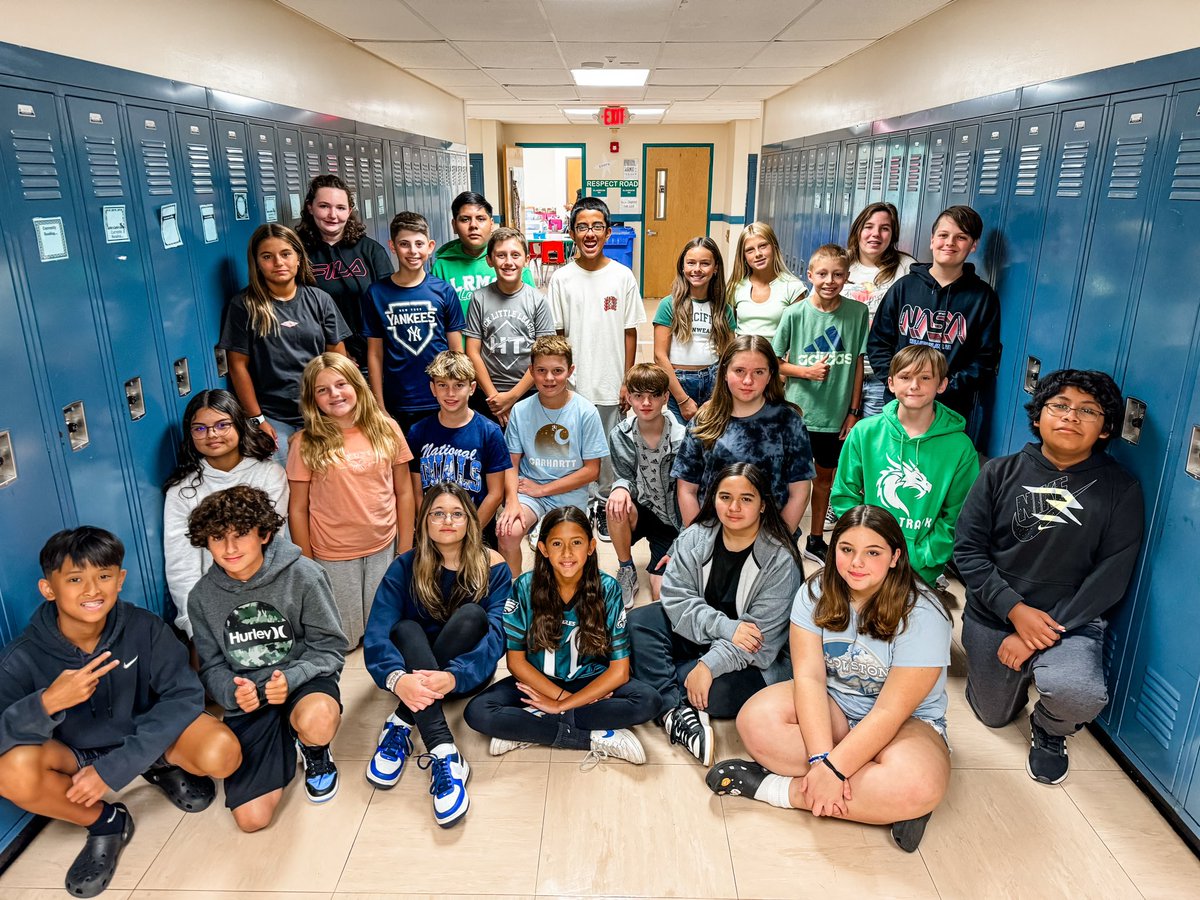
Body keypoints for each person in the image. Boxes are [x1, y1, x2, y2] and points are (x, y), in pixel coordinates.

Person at [0, 527, 240, 898]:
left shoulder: (142, 627)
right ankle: (106, 822)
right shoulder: (24, 655)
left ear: (120, 580)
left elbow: (185, 695)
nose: (92, 589)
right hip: (74, 754)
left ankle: (158, 767)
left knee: (222, 753)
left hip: (141, 734)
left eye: (104, 576)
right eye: (75, 579)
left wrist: (116, 768)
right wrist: (46, 703)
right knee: (11, 773)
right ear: (49, 589)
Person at [708, 505, 952, 855]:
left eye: (873, 552)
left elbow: (888, 712)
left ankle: (777, 790)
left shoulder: (925, 613)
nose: (857, 563)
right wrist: (821, 758)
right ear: (833, 548)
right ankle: (883, 804)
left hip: (906, 724)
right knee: (754, 720)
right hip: (836, 706)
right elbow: (808, 678)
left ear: (896, 556)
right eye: (847, 549)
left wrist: (835, 772)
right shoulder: (815, 592)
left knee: (919, 784)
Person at [954, 369, 1143, 785]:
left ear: (1107, 428)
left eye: (1087, 410)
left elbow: (1111, 576)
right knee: (993, 716)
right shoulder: (999, 473)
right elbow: (967, 551)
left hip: (1070, 622)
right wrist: (1015, 611)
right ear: (1038, 417)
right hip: (995, 613)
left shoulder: (1120, 488)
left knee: (1079, 692)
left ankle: (1050, 728)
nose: (1071, 417)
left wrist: (1040, 631)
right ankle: (1007, 680)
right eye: (1059, 406)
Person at [186, 486, 346, 832]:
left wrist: (293, 678)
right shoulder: (201, 597)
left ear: (264, 534)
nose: (229, 548)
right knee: (251, 820)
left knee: (317, 719)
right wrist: (230, 692)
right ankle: (281, 743)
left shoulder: (304, 575)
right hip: (249, 697)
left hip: (302, 680)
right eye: (217, 538)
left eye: (240, 535)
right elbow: (211, 666)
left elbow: (330, 648)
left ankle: (314, 749)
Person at [628, 463, 804, 767]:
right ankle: (673, 713)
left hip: (753, 657)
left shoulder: (780, 560)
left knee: (713, 694)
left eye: (746, 499)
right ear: (713, 499)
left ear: (763, 504)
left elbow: (760, 641)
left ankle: (658, 684)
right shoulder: (695, 537)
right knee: (639, 622)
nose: (734, 507)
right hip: (707, 632)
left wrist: (708, 666)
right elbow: (675, 598)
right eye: (725, 497)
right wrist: (726, 626)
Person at [363, 484, 511, 827]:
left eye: (457, 514)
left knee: (473, 616)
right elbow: (378, 631)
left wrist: (455, 675)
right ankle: (444, 750)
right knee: (406, 630)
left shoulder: (495, 568)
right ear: (424, 521)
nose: (448, 521)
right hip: (409, 678)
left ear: (470, 521)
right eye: (438, 513)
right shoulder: (405, 566)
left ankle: (401, 721)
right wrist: (397, 679)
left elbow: (497, 636)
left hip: (462, 677)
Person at [464, 506, 657, 764]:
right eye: (557, 543)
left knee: (648, 701)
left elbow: (619, 671)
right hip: (539, 680)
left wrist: (560, 706)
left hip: (590, 681)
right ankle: (595, 736)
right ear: (543, 549)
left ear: (590, 547)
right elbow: (516, 662)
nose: (567, 553)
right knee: (477, 712)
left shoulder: (607, 589)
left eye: (576, 543)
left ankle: (528, 727)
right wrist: (563, 700)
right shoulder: (525, 587)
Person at [287, 353, 416, 648]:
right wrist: (307, 563)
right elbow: (297, 508)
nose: (334, 394)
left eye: (341, 384)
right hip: (333, 552)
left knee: (382, 634)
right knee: (344, 640)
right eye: (322, 390)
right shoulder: (305, 442)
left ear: (357, 385)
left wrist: (405, 546)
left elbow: (404, 492)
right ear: (312, 399)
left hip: (383, 544)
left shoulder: (387, 428)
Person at [830, 346, 979, 590]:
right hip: (866, 562)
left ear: (941, 385)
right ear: (890, 383)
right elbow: (844, 494)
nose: (914, 386)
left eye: (925, 378)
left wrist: (924, 556)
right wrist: (864, 547)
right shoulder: (865, 433)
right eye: (905, 377)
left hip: (921, 569)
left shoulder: (960, 447)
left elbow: (958, 515)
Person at [549, 197, 645, 536]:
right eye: (582, 227)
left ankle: (604, 504)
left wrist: (626, 381)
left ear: (608, 232)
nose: (590, 233)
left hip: (609, 379)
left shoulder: (622, 276)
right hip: (574, 383)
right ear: (573, 232)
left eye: (597, 227)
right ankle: (578, 505)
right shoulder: (562, 279)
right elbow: (557, 335)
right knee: (573, 447)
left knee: (606, 450)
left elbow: (629, 331)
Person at [219, 223, 351, 464]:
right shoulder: (244, 306)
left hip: (320, 410)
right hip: (273, 415)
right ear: (257, 263)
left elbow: (337, 361)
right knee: (285, 485)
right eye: (267, 257)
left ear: (299, 258)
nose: (278, 263)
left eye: (285, 254)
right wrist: (257, 419)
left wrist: (338, 411)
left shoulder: (320, 300)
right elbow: (238, 367)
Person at [163, 389, 289, 637]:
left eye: (222, 425)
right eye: (200, 428)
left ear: (239, 425)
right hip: (211, 602)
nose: (212, 435)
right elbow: (182, 565)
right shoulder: (182, 491)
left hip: (267, 595)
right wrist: (194, 627)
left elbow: (271, 545)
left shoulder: (268, 474)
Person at [773, 244, 868, 563]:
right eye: (823, 274)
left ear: (847, 277)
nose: (830, 280)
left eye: (838, 274)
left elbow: (857, 364)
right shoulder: (795, 314)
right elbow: (773, 362)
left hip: (835, 415)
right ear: (810, 274)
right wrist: (805, 371)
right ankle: (782, 536)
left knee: (824, 481)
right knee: (789, 479)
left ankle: (815, 539)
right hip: (797, 414)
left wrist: (853, 412)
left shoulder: (857, 313)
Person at [867, 204, 1000, 422]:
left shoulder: (982, 297)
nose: (950, 243)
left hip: (950, 408)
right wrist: (899, 382)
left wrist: (944, 387)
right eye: (943, 235)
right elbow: (879, 342)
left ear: (973, 245)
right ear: (932, 240)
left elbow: (984, 358)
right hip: (898, 404)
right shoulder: (904, 287)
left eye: (961, 237)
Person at [672, 334, 814, 535]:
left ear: (771, 374)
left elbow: (799, 492)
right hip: (712, 535)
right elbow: (687, 489)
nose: (748, 380)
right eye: (739, 371)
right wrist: (698, 540)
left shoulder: (788, 421)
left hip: (771, 535)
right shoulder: (704, 420)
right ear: (724, 372)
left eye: (758, 372)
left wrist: (778, 541)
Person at [496, 335, 609, 577]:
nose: (549, 378)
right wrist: (512, 502)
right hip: (529, 493)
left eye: (557, 371)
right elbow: (511, 463)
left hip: (568, 494)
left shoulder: (585, 412)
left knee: (563, 550)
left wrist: (542, 489)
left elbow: (592, 471)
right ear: (531, 371)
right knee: (507, 531)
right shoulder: (520, 410)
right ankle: (513, 593)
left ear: (570, 370)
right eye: (542, 371)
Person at [361, 211, 465, 436]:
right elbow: (375, 354)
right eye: (404, 244)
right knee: (404, 467)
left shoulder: (444, 291)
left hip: (440, 397)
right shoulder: (377, 293)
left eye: (419, 244)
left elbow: (457, 353)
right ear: (392, 246)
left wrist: (458, 395)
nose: (413, 251)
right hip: (397, 401)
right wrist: (379, 405)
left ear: (430, 246)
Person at [407, 351, 516, 545]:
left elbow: (495, 493)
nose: (450, 393)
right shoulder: (418, 432)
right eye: (443, 385)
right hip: (433, 533)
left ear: (472, 388)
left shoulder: (489, 432)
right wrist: (429, 529)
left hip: (476, 533)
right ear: (433, 388)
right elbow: (416, 491)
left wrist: (469, 534)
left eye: (459, 385)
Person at [295, 173, 394, 370]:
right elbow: (296, 311)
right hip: (322, 359)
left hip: (374, 355)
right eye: (324, 206)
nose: (333, 215)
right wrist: (336, 352)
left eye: (340, 208)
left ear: (349, 211)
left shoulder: (370, 251)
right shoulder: (297, 252)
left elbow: (389, 305)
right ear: (310, 207)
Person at [606, 363, 685, 608]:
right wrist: (619, 487)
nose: (646, 403)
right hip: (643, 509)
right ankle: (626, 568)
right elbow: (624, 475)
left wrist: (682, 542)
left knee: (661, 595)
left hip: (674, 520)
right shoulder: (621, 434)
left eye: (653, 396)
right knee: (614, 504)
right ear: (629, 397)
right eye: (638, 396)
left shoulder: (683, 437)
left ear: (665, 397)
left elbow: (691, 493)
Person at [463, 227, 556, 427]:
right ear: (489, 260)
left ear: (527, 259)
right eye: (501, 255)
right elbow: (472, 351)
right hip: (487, 395)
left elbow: (544, 356)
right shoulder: (479, 298)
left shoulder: (537, 301)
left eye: (515, 255)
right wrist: (494, 397)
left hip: (529, 392)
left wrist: (512, 397)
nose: (508, 262)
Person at [842, 202, 916, 419]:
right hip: (842, 373)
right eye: (869, 226)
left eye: (885, 228)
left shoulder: (906, 267)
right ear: (858, 230)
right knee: (837, 443)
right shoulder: (841, 262)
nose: (876, 234)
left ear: (893, 235)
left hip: (881, 376)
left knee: (874, 442)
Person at [652, 236, 736, 422]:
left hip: (714, 382)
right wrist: (682, 400)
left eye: (705, 263)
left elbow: (729, 355)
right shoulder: (669, 305)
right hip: (679, 383)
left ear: (715, 269)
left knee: (711, 442)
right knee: (681, 443)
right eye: (691, 263)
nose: (697, 269)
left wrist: (717, 397)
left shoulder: (723, 308)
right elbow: (659, 356)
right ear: (682, 267)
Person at [431, 191, 535, 321]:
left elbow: (532, 311)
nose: (473, 225)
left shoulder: (512, 263)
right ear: (454, 226)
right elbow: (436, 319)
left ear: (491, 224)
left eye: (480, 219)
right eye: (465, 219)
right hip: (459, 341)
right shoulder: (441, 267)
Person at [727, 222, 806, 340]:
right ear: (743, 256)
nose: (758, 254)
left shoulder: (793, 288)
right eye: (750, 250)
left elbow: (799, 334)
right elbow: (728, 329)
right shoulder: (735, 287)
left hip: (776, 358)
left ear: (774, 247)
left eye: (763, 246)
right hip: (742, 356)